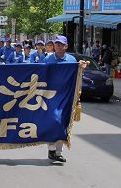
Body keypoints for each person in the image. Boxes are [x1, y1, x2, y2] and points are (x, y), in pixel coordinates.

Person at [43, 35, 77, 163]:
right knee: (53, 121)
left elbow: (77, 77)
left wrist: (82, 67)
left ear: (66, 46)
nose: (58, 46)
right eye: (56, 44)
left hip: (66, 96)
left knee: (63, 123)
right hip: (51, 95)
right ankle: (51, 149)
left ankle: (58, 152)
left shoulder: (72, 60)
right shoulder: (48, 59)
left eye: (61, 44)